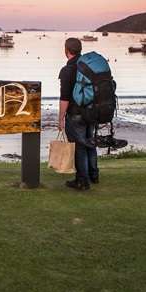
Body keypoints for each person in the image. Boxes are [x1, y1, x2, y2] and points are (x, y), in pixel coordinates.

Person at [58, 37, 98, 191]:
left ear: (66, 50)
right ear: (80, 50)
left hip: (76, 115)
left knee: (79, 147)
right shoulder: (88, 66)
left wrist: (60, 118)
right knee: (90, 143)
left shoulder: (67, 70)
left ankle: (82, 181)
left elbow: (65, 98)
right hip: (92, 111)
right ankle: (94, 175)